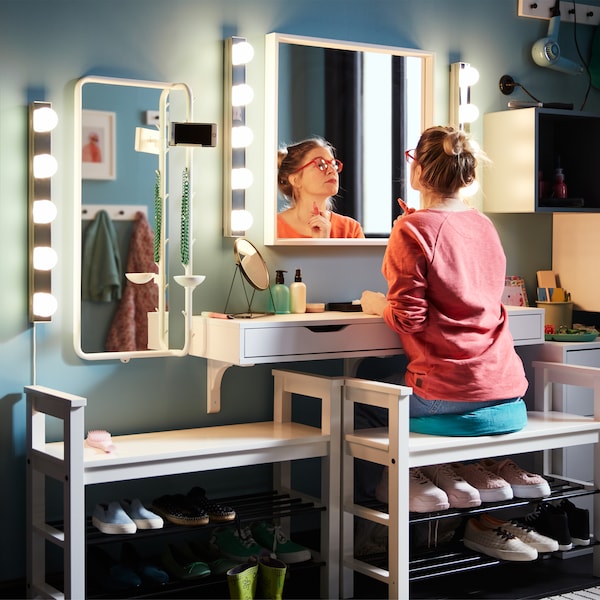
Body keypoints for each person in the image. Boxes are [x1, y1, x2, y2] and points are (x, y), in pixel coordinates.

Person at [361, 125, 528, 418]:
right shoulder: (484, 225)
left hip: (446, 392)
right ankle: (456, 467)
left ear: (418, 170)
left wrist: (376, 305)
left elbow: (408, 320)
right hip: (506, 386)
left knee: (356, 400)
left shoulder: (411, 229)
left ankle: (423, 468)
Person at [277, 137, 365, 238]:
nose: (332, 170)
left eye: (333, 164)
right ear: (295, 180)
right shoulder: (272, 229)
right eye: (320, 164)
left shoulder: (351, 230)